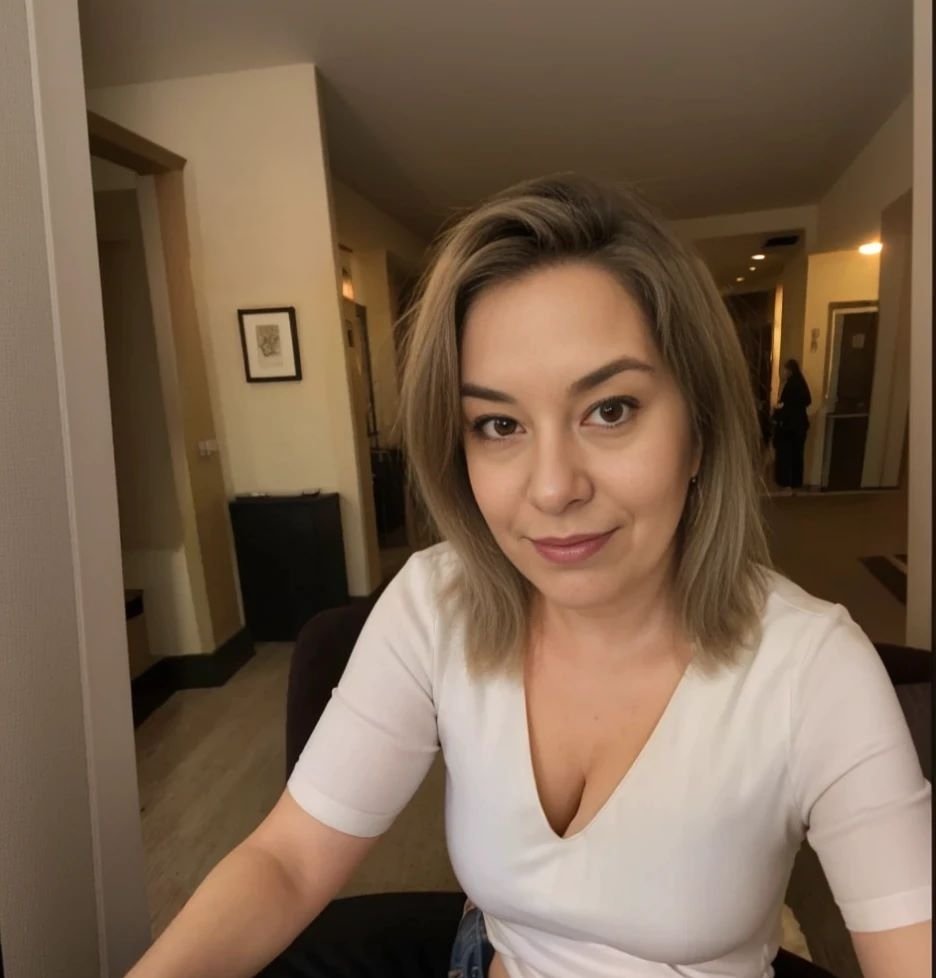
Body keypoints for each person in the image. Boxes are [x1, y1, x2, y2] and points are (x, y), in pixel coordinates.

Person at [127, 177, 931, 978]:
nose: (552, 489)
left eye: (611, 409)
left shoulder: (813, 669)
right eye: (499, 424)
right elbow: (290, 860)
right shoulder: (437, 604)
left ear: (700, 432)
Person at [773, 360, 812, 491]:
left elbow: (785, 406)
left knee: (786, 454)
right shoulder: (801, 383)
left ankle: (785, 482)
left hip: (789, 427)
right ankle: (796, 482)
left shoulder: (790, 386)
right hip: (800, 426)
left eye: (784, 370)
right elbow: (808, 401)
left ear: (789, 371)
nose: (782, 372)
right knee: (797, 455)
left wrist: (777, 415)